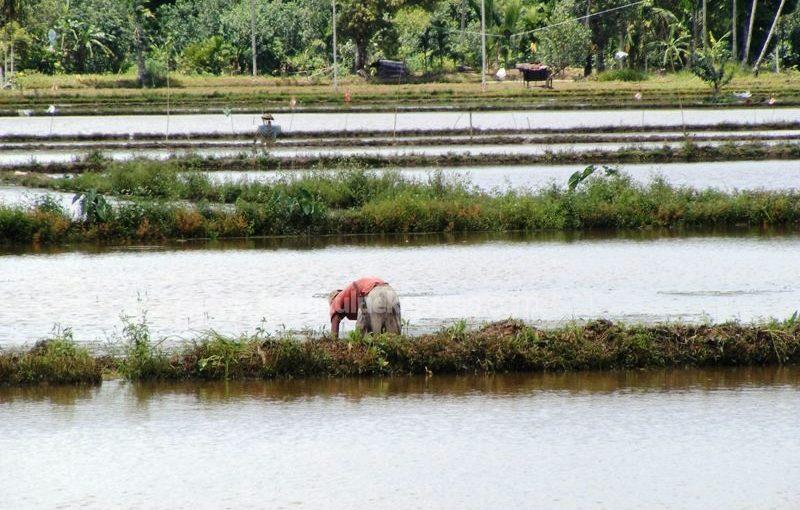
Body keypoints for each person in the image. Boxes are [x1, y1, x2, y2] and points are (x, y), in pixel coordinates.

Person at [328, 277, 401, 339]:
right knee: (394, 337)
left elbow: (334, 334)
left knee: (370, 337)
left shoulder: (336, 300)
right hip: (390, 291)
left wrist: (334, 344)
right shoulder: (352, 295)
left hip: (373, 294)